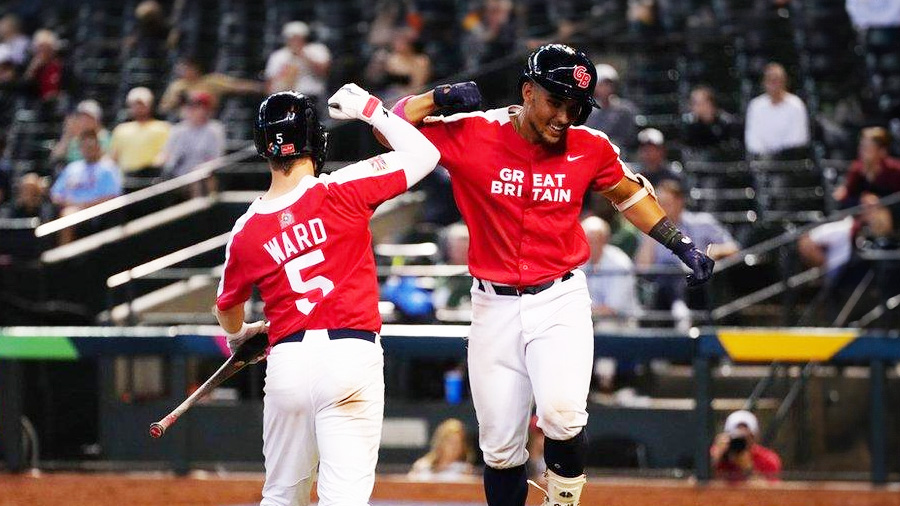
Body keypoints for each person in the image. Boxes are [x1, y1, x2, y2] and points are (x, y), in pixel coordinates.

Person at [390, 44, 714, 506]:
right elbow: (391, 132)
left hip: (558, 297)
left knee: (563, 415)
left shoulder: (590, 145)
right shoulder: (474, 132)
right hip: (492, 305)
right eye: (555, 101)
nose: (565, 116)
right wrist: (438, 98)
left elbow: (627, 195)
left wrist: (678, 242)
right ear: (527, 91)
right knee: (500, 449)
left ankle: (562, 503)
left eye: (575, 106)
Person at [214, 84, 439, 506]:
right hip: (350, 356)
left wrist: (241, 333)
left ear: (265, 147)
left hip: (288, 363)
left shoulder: (245, 230)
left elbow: (226, 308)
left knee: (281, 496)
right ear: (315, 140)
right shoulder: (341, 188)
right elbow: (426, 155)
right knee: (344, 499)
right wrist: (371, 109)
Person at [636, 180, 737, 328]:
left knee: (677, 271)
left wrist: (713, 251)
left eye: (666, 203)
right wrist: (651, 234)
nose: (661, 208)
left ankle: (680, 310)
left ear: (680, 202)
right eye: (658, 203)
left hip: (696, 284)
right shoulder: (650, 229)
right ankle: (680, 311)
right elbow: (642, 268)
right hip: (660, 287)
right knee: (667, 271)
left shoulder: (702, 222)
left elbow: (733, 248)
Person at [50, 130, 122, 243]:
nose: (88, 150)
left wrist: (83, 205)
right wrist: (69, 203)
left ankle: (64, 257)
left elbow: (112, 196)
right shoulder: (72, 168)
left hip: (96, 213)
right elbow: (55, 194)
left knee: (68, 215)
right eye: (85, 147)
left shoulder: (108, 168)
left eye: (91, 147)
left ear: (98, 147)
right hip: (69, 208)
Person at [158, 91, 226, 195]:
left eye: (196, 107)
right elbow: (166, 154)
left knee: (198, 177)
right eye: (189, 106)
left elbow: (216, 158)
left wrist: (199, 170)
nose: (191, 110)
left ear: (207, 110)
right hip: (178, 175)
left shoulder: (214, 129)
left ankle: (200, 210)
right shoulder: (177, 129)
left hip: (203, 175)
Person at [580, 216, 639, 329]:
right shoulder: (579, 262)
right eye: (586, 240)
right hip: (588, 317)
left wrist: (581, 311)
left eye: (594, 241)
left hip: (622, 321)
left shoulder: (619, 263)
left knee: (605, 326)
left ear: (605, 240)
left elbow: (612, 309)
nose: (589, 245)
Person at [158, 56, 265, 116]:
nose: (183, 71)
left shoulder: (212, 80)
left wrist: (259, 87)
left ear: (195, 68)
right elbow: (163, 109)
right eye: (181, 68)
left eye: (187, 68)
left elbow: (236, 85)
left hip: (208, 119)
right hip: (184, 122)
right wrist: (176, 101)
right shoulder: (177, 86)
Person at [744, 63, 810, 158]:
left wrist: (779, 155)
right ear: (764, 83)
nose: (773, 84)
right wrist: (766, 155)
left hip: (790, 160)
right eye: (770, 80)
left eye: (777, 80)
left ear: (785, 82)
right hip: (762, 160)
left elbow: (798, 139)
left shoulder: (796, 105)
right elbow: (752, 139)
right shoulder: (755, 105)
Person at [109, 87, 171, 179]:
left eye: (141, 104)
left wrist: (153, 167)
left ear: (149, 105)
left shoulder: (163, 127)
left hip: (150, 177)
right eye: (134, 104)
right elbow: (113, 157)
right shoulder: (121, 129)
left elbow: (165, 153)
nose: (138, 108)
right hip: (125, 178)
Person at [265, 21, 331, 104]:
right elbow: (270, 81)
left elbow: (323, 72)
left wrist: (302, 54)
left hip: (310, 97)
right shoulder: (278, 55)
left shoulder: (317, 50)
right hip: (285, 98)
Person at [832, 126, 900, 206]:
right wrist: (862, 201)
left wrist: (880, 203)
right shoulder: (857, 169)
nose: (862, 151)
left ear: (882, 151)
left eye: (867, 147)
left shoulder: (895, 170)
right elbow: (843, 195)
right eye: (861, 146)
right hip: (862, 215)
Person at [710, 410, 782, 483]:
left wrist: (748, 469)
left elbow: (772, 491)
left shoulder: (767, 459)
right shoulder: (718, 454)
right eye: (735, 437)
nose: (740, 442)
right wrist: (716, 460)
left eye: (746, 437)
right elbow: (702, 485)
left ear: (755, 437)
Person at [584, 63, 639, 153]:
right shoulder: (587, 110)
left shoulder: (626, 110)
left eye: (609, 84)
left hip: (619, 154)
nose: (606, 88)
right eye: (602, 84)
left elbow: (629, 138)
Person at [681, 86, 742, 161]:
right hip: (700, 166)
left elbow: (733, 148)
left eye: (698, 103)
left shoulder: (726, 123)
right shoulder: (690, 126)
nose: (693, 107)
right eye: (692, 103)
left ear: (710, 103)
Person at [408, 418, 476, 481]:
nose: (454, 448)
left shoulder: (465, 470)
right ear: (440, 443)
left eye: (458, 444)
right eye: (450, 442)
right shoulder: (422, 465)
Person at [50, 100, 112, 165]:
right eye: (81, 118)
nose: (83, 121)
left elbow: (106, 160)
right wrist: (67, 134)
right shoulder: (74, 139)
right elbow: (55, 158)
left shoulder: (104, 137)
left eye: (87, 118)